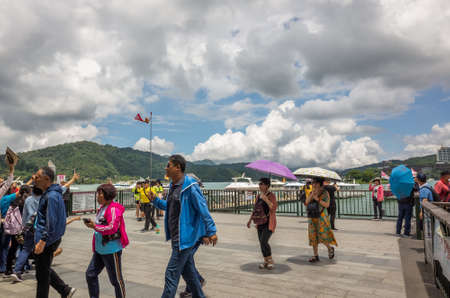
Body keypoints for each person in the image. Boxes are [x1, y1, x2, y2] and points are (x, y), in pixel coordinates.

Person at [151, 154, 217, 298]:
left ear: (178, 167)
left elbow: (203, 209)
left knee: (171, 274)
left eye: (168, 165)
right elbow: (169, 207)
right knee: (189, 273)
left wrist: (210, 231)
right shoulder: (173, 186)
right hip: (176, 237)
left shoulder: (190, 186)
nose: (165, 168)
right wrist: (155, 200)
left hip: (185, 239)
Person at [33, 166, 76, 298]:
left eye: (37, 176)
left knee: (42, 277)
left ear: (46, 179)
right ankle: (65, 290)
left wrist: (42, 240)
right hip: (53, 238)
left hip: (46, 240)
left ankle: (64, 290)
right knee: (43, 270)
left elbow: (51, 221)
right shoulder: (54, 193)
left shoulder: (51, 196)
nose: (34, 178)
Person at [84, 183, 128, 298]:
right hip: (100, 250)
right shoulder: (102, 208)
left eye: (100, 194)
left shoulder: (113, 209)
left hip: (111, 250)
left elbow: (112, 227)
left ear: (107, 195)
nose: (97, 196)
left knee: (116, 280)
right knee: (90, 274)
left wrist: (94, 226)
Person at [11, 184, 43, 282]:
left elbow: (24, 216)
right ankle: (42, 272)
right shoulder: (44, 199)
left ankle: (17, 271)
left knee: (25, 249)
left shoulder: (28, 200)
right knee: (41, 250)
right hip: (40, 228)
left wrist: (23, 229)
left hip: (29, 228)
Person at [246, 177, 277, 269]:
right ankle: (265, 261)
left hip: (269, 222)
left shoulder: (271, 196)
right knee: (261, 242)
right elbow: (255, 209)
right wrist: (250, 220)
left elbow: (274, 208)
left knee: (264, 241)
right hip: (260, 222)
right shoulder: (258, 196)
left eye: (261, 184)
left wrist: (266, 199)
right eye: (259, 184)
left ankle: (270, 260)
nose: (259, 185)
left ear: (267, 185)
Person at [305, 177, 337, 262]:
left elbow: (326, 205)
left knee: (323, 235)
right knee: (313, 236)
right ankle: (315, 256)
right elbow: (306, 202)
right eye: (312, 183)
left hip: (322, 217)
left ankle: (330, 249)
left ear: (320, 184)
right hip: (312, 216)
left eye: (315, 182)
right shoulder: (312, 192)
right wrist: (312, 195)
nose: (313, 184)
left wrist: (317, 199)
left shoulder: (325, 193)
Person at [4, 185, 32, 276]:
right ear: (26, 192)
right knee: (24, 248)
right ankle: (21, 268)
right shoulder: (25, 202)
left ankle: (8, 269)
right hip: (22, 228)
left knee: (13, 248)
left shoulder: (14, 201)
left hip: (14, 228)